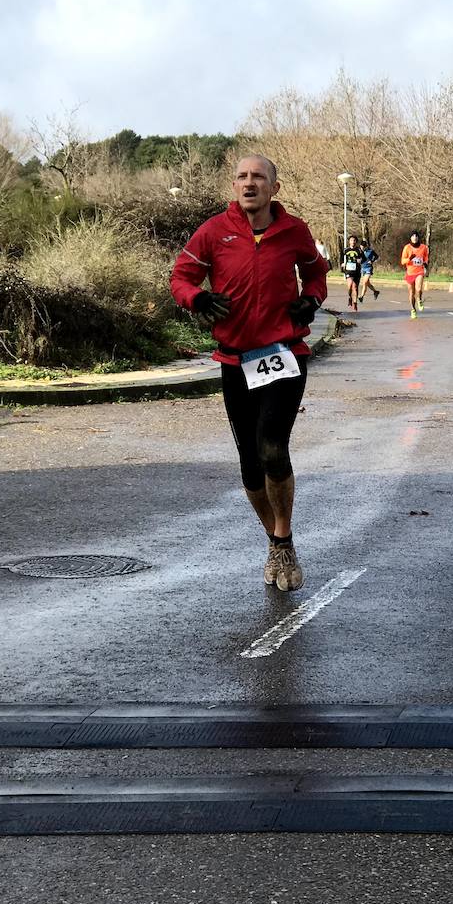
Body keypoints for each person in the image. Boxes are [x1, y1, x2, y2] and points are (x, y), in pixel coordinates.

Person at [170, 154, 329, 592]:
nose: (249, 182)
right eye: (242, 176)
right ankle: (279, 543)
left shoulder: (294, 231)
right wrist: (197, 300)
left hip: (283, 353)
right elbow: (181, 278)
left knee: (273, 447)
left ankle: (283, 537)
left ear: (274, 187)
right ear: (233, 186)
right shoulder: (213, 232)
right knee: (249, 466)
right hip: (235, 360)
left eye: (258, 176)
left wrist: (310, 300)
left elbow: (317, 274)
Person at [400, 232, 429, 318]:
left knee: (418, 289)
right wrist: (409, 259)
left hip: (419, 271)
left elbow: (426, 257)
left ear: (418, 238)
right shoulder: (407, 248)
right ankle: (413, 309)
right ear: (410, 238)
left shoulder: (423, 247)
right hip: (410, 273)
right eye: (413, 236)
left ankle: (419, 300)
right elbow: (402, 261)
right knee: (411, 293)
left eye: (416, 236)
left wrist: (425, 263)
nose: (415, 237)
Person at [341, 235, 365, 311]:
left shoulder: (359, 250)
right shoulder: (346, 250)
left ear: (356, 242)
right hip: (348, 270)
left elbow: (364, 258)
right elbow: (341, 258)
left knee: (355, 287)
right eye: (351, 240)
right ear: (349, 242)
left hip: (357, 271)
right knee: (350, 285)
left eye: (354, 240)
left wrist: (360, 260)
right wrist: (342, 263)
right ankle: (350, 297)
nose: (353, 242)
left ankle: (355, 303)